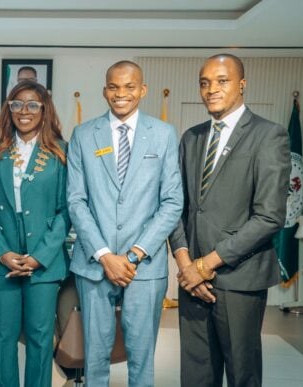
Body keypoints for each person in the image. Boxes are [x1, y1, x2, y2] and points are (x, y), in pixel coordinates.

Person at [169, 53, 290, 387]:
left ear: (242, 85)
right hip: (192, 279)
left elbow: (268, 217)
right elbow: (176, 207)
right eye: (204, 82)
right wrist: (185, 262)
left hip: (239, 278)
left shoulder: (269, 136)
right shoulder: (191, 138)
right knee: (195, 374)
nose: (211, 89)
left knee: (242, 373)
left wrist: (207, 264)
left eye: (221, 81)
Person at [67, 60, 183, 386]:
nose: (121, 94)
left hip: (144, 267)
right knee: (95, 357)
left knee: (142, 358)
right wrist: (105, 255)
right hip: (94, 265)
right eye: (114, 87)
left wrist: (132, 255)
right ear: (105, 90)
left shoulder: (162, 135)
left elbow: (172, 202)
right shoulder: (83, 134)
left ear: (142, 90)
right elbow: (76, 201)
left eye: (129, 87)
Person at [0, 80, 70, 387]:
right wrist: (1, 252)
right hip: (3, 258)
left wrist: (40, 256)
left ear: (44, 110)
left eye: (32, 105)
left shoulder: (60, 152)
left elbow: (66, 210)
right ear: (8, 109)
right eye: (16, 104)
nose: (23, 111)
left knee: (41, 338)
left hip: (44, 260)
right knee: (3, 338)